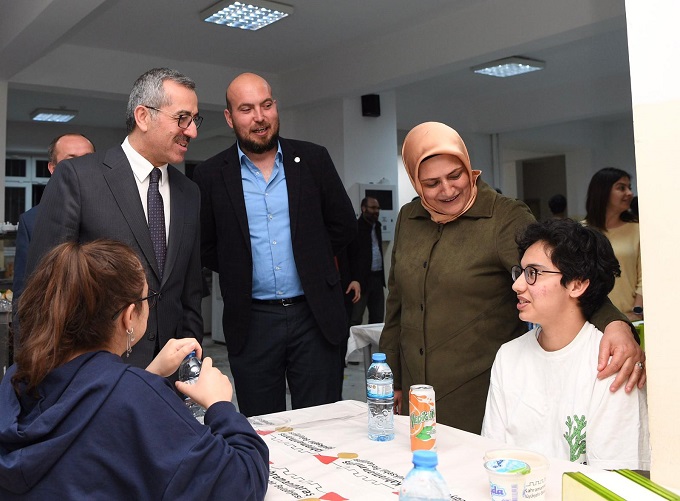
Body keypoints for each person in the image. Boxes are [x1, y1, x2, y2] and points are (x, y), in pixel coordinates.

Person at [379, 122, 645, 434]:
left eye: (455, 175)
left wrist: (616, 324)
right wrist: (392, 378)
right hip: (415, 393)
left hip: (479, 393)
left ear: (469, 167)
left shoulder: (504, 218)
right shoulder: (410, 219)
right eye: (432, 183)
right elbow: (398, 302)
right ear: (415, 183)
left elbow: (559, 274)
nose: (448, 190)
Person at [0, 240, 269, 500]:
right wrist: (219, 405)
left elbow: (84, 418)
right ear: (129, 316)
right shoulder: (133, 396)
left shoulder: (17, 378)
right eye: (147, 297)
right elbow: (239, 482)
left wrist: (147, 376)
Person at [193, 72, 357, 417]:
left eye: (266, 105)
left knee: (322, 421)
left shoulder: (313, 160)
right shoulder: (210, 175)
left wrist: (313, 262)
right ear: (229, 117)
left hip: (315, 318)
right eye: (247, 109)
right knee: (262, 426)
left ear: (275, 107)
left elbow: (343, 224)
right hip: (252, 322)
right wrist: (241, 265)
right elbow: (205, 244)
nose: (259, 117)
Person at [24, 68, 204, 370]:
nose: (192, 131)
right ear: (143, 116)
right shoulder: (79, 178)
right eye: (182, 118)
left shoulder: (190, 192)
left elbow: (190, 290)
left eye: (195, 120)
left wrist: (190, 364)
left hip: (172, 376)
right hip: (97, 372)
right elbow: (45, 291)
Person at [482, 219, 650, 470]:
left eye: (533, 273)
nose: (517, 285)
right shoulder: (508, 356)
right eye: (521, 272)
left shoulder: (610, 360)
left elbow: (614, 480)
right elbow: (493, 457)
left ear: (577, 284)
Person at [11, 133, 95, 346]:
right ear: (53, 169)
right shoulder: (31, 221)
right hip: (53, 341)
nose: (81, 167)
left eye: (87, 159)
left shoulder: (116, 213)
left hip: (103, 340)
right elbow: (24, 294)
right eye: (71, 160)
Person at [585, 167, 643, 321]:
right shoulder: (581, 231)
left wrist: (637, 313)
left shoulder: (638, 229)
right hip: (590, 319)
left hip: (630, 318)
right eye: (621, 188)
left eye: (629, 188)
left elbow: (644, 278)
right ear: (602, 192)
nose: (629, 193)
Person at [349, 197, 386, 326]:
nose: (376, 211)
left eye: (378, 208)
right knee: (355, 318)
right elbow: (351, 256)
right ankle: (352, 346)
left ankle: (374, 347)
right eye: (373, 208)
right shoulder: (355, 227)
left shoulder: (378, 226)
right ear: (364, 209)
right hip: (361, 280)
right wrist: (354, 279)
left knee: (378, 317)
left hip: (377, 278)